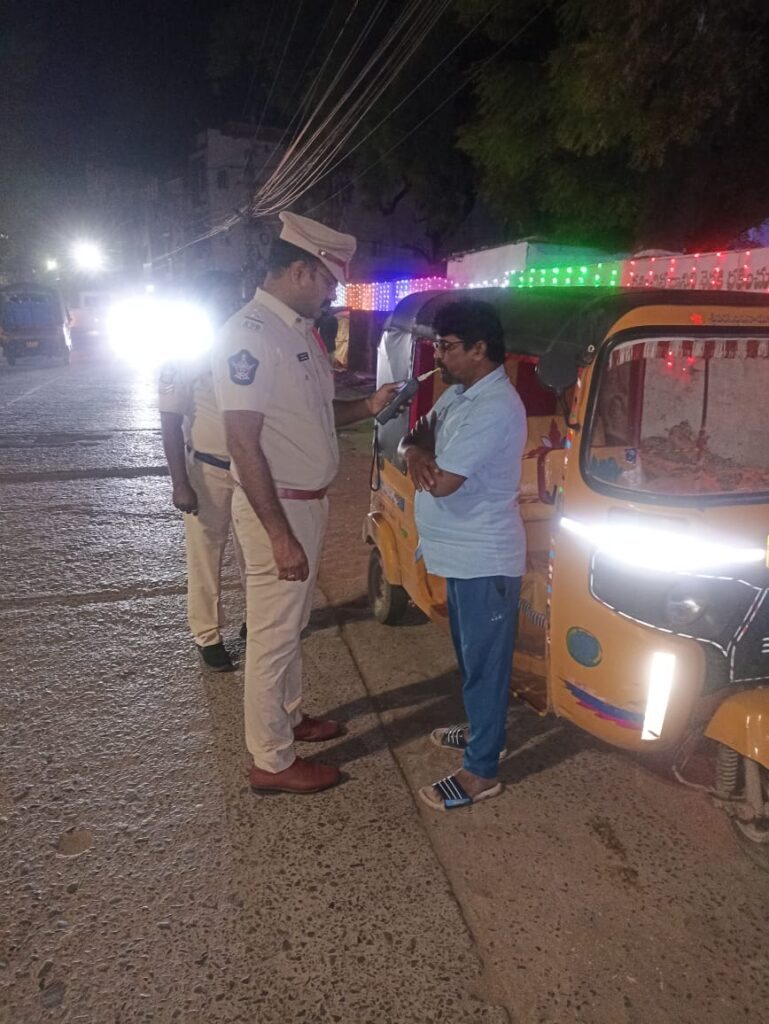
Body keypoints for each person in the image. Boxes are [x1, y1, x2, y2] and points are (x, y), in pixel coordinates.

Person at [212, 211, 401, 794]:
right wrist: (279, 534)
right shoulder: (249, 335)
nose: (332, 295)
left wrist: (369, 406)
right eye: (327, 282)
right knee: (272, 636)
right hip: (279, 508)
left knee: (290, 626)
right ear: (299, 271)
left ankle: (290, 717)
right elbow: (242, 442)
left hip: (306, 503)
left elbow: (315, 416)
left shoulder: (297, 331)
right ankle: (270, 761)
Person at [398, 299, 526, 811]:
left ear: (479, 349)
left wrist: (423, 460)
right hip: (458, 556)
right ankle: (482, 731)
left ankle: (481, 771)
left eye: (447, 346)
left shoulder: (495, 408)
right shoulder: (459, 395)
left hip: (484, 559)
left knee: (484, 667)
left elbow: (444, 483)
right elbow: (414, 438)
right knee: (471, 659)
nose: (439, 356)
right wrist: (415, 452)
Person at [159, 276, 246, 672]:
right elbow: (170, 421)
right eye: (220, 301)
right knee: (205, 557)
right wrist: (180, 482)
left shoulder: (247, 344)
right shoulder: (184, 352)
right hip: (208, 471)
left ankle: (255, 622)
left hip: (251, 471)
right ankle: (208, 635)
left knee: (254, 553)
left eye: (232, 300)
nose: (227, 308)